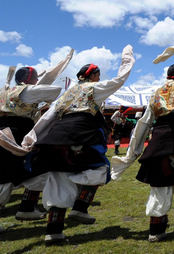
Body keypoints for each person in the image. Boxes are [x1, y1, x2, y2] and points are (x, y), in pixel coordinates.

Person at [27, 45, 135, 243]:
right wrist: (128, 59)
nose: (100, 78)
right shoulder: (94, 88)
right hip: (81, 136)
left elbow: (48, 117)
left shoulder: (67, 94)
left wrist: (31, 138)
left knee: (59, 178)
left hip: (56, 137)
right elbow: (119, 81)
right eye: (98, 74)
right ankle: (80, 206)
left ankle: (54, 231)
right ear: (92, 75)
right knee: (101, 169)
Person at [111, 44, 174, 242]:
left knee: (160, 184)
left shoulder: (155, 94)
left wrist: (133, 153)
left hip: (159, 142)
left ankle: (156, 230)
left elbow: (144, 123)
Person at [0, 50, 73, 237]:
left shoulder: (4, 93)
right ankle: (15, 211)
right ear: (29, 79)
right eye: (34, 77)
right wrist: (38, 94)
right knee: (33, 169)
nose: (36, 79)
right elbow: (54, 91)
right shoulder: (27, 91)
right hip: (15, 135)